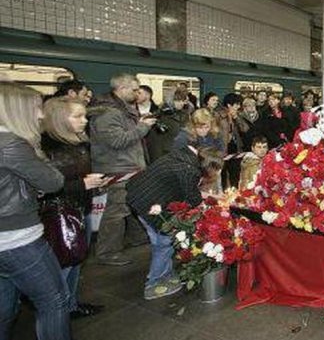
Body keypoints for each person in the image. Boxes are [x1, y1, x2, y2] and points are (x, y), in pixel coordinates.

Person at [0, 82, 84, 340]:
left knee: (5, 309)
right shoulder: (11, 144)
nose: (39, 115)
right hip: (18, 238)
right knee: (53, 300)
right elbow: (51, 181)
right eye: (36, 107)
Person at [41, 97, 110, 319]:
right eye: (78, 116)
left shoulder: (78, 142)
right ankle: (57, 314)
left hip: (80, 208)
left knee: (76, 260)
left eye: (85, 116)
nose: (84, 121)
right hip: (59, 214)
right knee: (64, 265)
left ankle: (70, 304)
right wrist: (82, 184)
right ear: (60, 119)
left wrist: (90, 182)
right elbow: (44, 187)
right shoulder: (46, 148)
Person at [126, 146, 224, 300]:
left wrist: (214, 197)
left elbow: (188, 190)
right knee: (163, 242)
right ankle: (154, 283)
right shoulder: (189, 171)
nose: (217, 173)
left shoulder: (182, 157)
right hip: (147, 203)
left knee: (162, 240)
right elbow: (194, 199)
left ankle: (165, 274)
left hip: (138, 194)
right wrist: (210, 203)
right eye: (217, 169)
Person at [89, 73, 156, 266]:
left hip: (128, 166)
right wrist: (143, 127)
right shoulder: (108, 113)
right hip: (118, 168)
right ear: (122, 89)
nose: (138, 94)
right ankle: (108, 251)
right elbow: (117, 141)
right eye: (135, 90)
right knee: (116, 212)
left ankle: (137, 237)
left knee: (130, 205)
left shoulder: (121, 109)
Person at [147, 90, 190, 163]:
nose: (181, 103)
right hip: (163, 154)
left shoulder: (184, 115)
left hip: (177, 152)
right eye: (178, 100)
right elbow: (155, 141)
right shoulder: (159, 116)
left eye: (183, 100)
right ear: (170, 100)